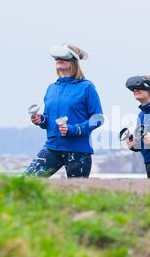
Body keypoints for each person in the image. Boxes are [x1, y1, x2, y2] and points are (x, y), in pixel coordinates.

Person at [25, 43, 103, 178]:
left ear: (74, 61)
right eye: (56, 58)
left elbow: (98, 118)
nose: (58, 60)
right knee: (25, 181)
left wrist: (74, 129)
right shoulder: (51, 88)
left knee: (77, 196)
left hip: (78, 152)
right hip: (52, 148)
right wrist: (40, 120)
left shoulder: (87, 87)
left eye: (63, 57)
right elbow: (48, 119)